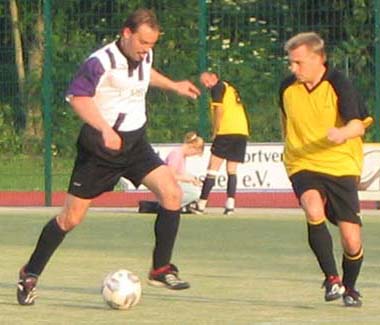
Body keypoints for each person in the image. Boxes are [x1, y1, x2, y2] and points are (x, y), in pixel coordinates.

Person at [16, 8, 201, 305]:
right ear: (126, 33)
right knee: (70, 218)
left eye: (152, 44)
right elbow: (78, 97)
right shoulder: (99, 62)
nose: (146, 50)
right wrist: (103, 128)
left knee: (171, 193)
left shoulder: (144, 55)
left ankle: (160, 268)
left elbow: (144, 74)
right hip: (100, 150)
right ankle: (30, 273)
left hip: (135, 145)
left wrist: (174, 85)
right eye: (143, 43)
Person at [279, 32, 373, 307]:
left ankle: (350, 287)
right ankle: (331, 278)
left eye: (299, 62)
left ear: (319, 59)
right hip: (302, 162)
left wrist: (342, 132)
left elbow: (359, 124)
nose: (293, 68)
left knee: (351, 240)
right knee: (312, 207)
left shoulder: (339, 84)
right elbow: (285, 122)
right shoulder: (286, 88)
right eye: (291, 63)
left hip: (340, 163)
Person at [192, 72, 250, 215]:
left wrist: (215, 130)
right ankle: (230, 206)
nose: (206, 85)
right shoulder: (230, 87)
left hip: (226, 131)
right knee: (232, 170)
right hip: (241, 131)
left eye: (206, 81)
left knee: (213, 167)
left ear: (214, 77)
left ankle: (201, 204)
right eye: (203, 83)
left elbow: (219, 109)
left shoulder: (217, 88)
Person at [165, 131, 204, 211]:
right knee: (195, 192)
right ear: (192, 146)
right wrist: (189, 179)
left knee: (196, 187)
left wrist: (192, 179)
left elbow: (180, 173)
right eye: (194, 153)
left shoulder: (182, 155)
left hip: (174, 184)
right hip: (168, 185)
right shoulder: (176, 154)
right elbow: (170, 175)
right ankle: (170, 205)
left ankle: (181, 205)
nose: (192, 155)